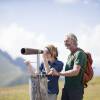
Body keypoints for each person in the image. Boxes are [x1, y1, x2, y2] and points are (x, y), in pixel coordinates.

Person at [52, 33, 87, 100]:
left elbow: (75, 72)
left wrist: (58, 73)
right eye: (64, 41)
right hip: (67, 89)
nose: (64, 42)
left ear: (73, 41)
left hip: (75, 90)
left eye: (67, 40)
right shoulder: (70, 55)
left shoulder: (79, 53)